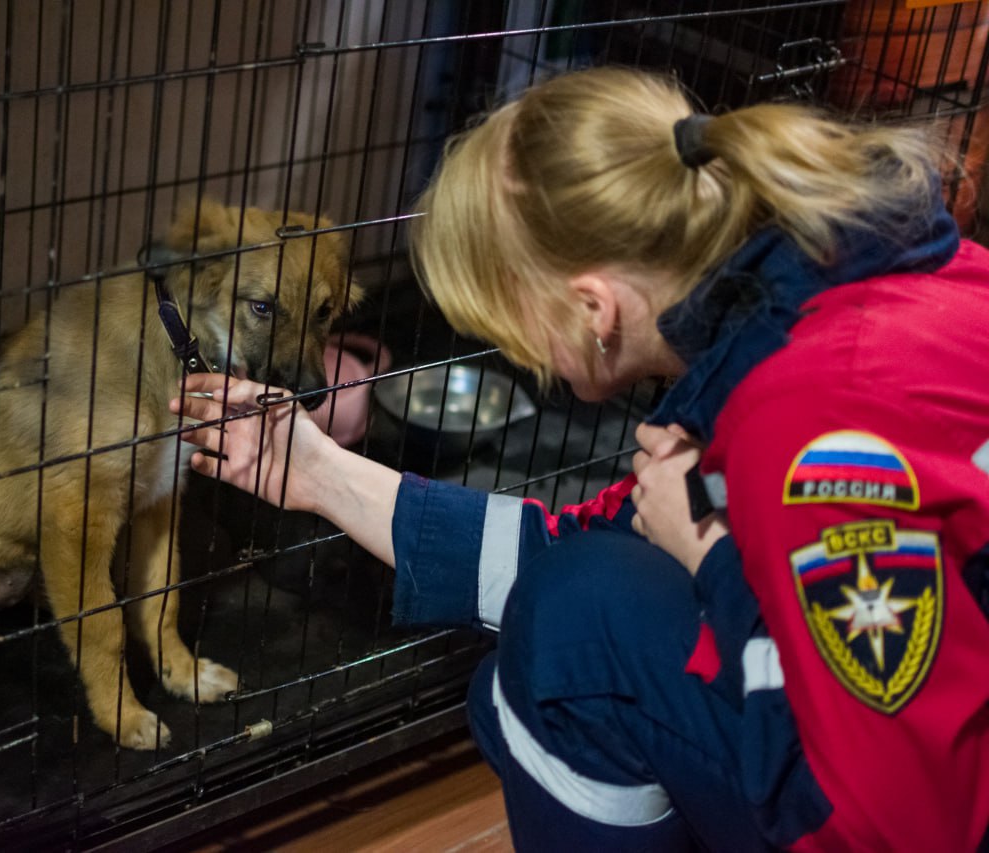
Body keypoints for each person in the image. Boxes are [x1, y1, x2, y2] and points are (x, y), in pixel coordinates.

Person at [169, 66, 989, 851]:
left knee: (570, 638)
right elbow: (597, 543)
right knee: (575, 601)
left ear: (594, 306)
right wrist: (315, 472)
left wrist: (707, 555)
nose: (515, 351)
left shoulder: (808, 423)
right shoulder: (825, 306)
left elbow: (902, 828)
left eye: (506, 320)